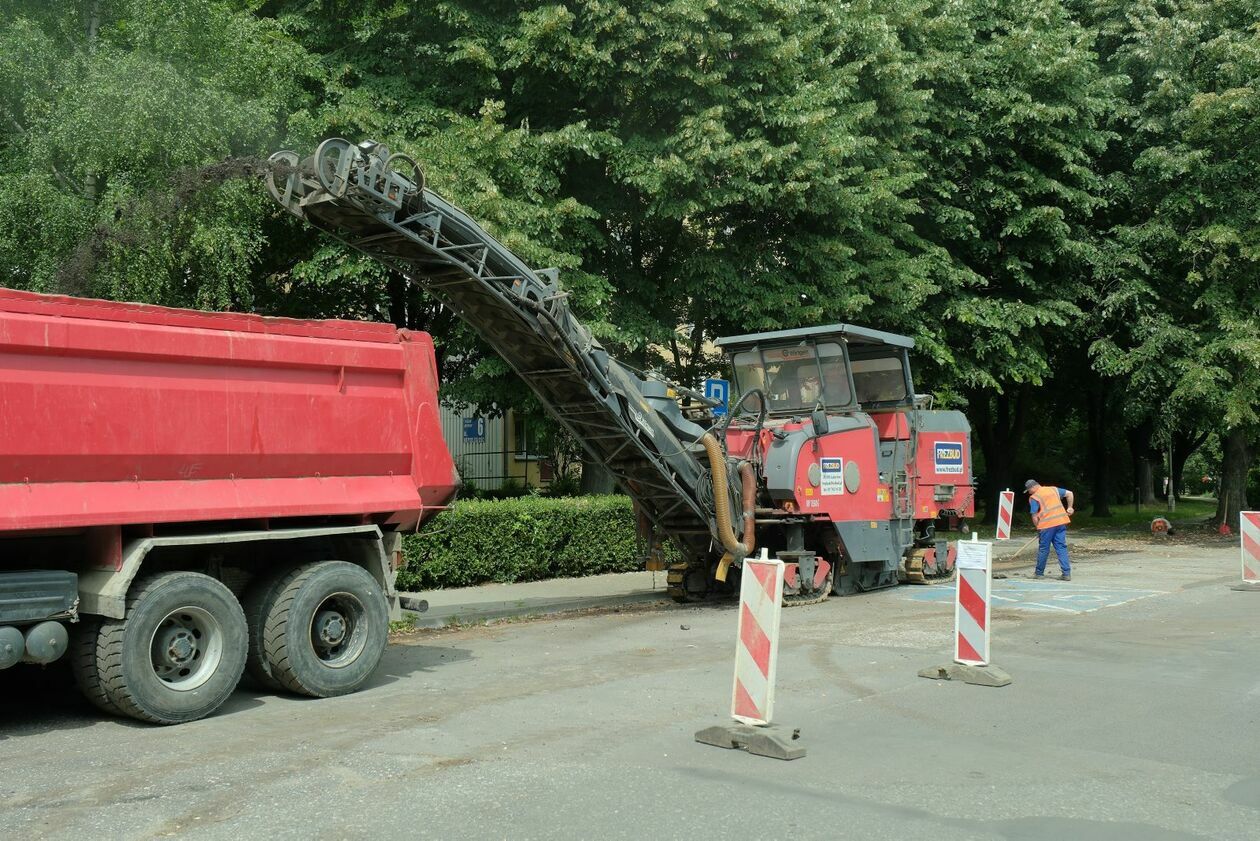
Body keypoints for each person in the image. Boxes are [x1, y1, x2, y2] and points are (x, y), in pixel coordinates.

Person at [1025, 479, 1074, 580]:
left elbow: (1034, 516)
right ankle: (1066, 574)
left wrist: (1038, 528)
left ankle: (1039, 573)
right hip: (1061, 522)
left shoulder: (1034, 497)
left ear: (1033, 487)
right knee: (1061, 547)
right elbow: (1070, 493)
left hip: (1047, 525)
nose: (1028, 492)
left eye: (1028, 490)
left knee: (1044, 549)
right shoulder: (1053, 489)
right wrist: (1070, 507)